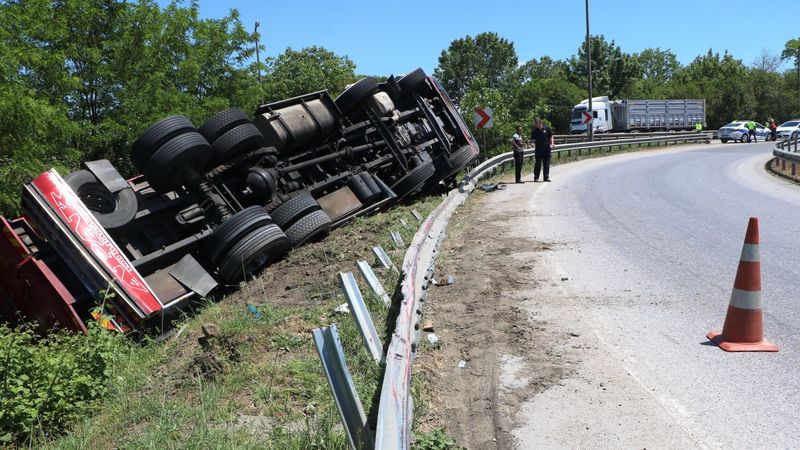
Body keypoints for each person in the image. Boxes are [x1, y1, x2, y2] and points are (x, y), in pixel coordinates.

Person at [530, 118, 555, 182]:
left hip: (546, 148)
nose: (536, 125)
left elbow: (551, 136)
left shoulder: (546, 128)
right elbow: (532, 139)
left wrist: (552, 143)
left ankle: (546, 177)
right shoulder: (535, 130)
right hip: (538, 149)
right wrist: (532, 143)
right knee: (538, 164)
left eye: (537, 124)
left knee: (546, 164)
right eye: (535, 124)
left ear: (540, 123)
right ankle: (536, 177)